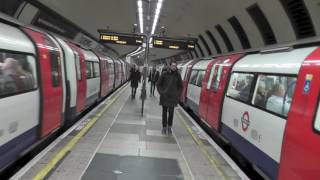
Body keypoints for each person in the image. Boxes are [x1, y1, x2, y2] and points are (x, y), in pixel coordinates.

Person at [157, 62, 182, 135]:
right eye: (173, 65)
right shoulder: (164, 74)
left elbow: (180, 86)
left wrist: (178, 94)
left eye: (175, 66)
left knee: (171, 113)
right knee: (164, 113)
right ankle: (164, 127)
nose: (174, 67)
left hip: (173, 98)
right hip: (165, 97)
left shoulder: (178, 75)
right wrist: (161, 92)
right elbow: (159, 84)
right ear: (170, 66)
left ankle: (169, 127)